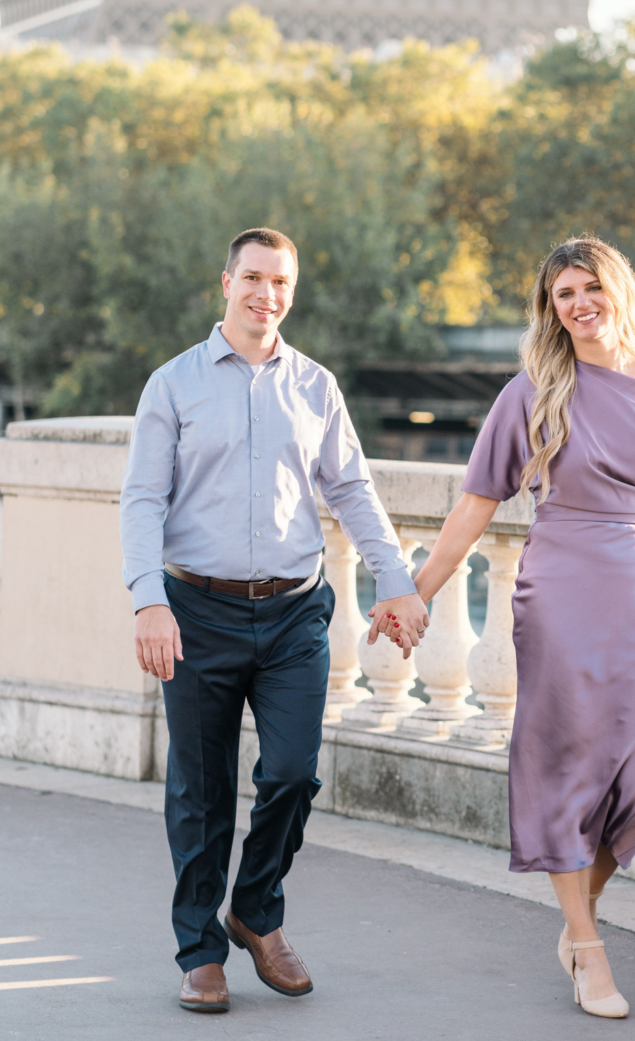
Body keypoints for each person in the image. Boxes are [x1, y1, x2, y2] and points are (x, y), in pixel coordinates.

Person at [120, 226, 427, 1014]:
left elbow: (352, 490)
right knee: (200, 792)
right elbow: (143, 499)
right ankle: (200, 950)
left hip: (294, 614)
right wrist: (148, 598)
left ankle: (254, 910)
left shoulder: (316, 386)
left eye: (281, 282)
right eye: (253, 278)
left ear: (291, 291)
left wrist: (396, 584)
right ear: (223, 283)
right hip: (194, 610)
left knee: (292, 773)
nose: (267, 295)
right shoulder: (174, 384)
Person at [413, 236, 635, 1019]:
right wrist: (418, 590)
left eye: (589, 288)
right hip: (562, 589)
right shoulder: (534, 389)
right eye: (562, 295)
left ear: (619, 292)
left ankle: (577, 921)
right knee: (565, 764)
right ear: (550, 310)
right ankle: (586, 942)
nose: (578, 304)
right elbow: (476, 502)